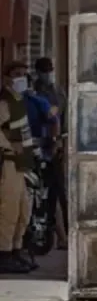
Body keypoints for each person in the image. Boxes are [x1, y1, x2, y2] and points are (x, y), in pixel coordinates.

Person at [0, 62, 38, 273]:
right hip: (9, 164)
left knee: (23, 211)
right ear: (6, 78)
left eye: (24, 75)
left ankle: (16, 250)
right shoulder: (4, 102)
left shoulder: (19, 101)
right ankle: (4, 253)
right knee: (9, 211)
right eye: (16, 75)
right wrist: (9, 145)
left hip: (22, 165)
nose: (21, 79)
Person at [31, 57, 68, 249]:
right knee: (42, 196)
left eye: (49, 70)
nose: (47, 74)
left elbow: (63, 120)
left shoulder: (58, 92)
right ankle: (57, 235)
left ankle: (63, 235)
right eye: (44, 71)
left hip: (55, 149)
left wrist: (61, 143)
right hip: (38, 148)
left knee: (58, 193)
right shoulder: (33, 92)